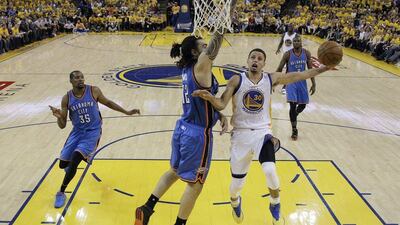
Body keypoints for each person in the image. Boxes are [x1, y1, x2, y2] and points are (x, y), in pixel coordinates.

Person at [192, 48, 334, 224]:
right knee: (236, 187)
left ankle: (275, 203)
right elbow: (221, 104)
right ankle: (235, 201)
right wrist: (210, 98)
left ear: (264, 64)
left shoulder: (270, 79)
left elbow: (301, 75)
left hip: (262, 133)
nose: (255, 60)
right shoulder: (237, 79)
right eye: (253, 57)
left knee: (270, 170)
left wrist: (324, 68)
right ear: (248, 60)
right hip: (240, 135)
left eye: (259, 58)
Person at [133, 0, 238, 220]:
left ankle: (147, 208)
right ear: (194, 52)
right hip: (197, 135)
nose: (206, 47)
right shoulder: (201, 65)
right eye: (202, 46)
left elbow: (202, 102)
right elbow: (217, 38)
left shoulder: (188, 70)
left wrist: (219, 115)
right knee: (195, 185)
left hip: (182, 127)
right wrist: (229, 9)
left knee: (174, 171)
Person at [49, 70, 140, 208]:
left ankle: (61, 192)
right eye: (77, 78)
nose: (80, 80)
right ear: (71, 81)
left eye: (82, 77)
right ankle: (71, 168)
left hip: (92, 133)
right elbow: (63, 125)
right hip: (77, 132)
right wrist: (59, 117)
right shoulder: (66, 98)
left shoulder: (93, 91)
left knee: (75, 160)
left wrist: (127, 112)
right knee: (63, 164)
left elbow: (109, 103)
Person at [276, 34, 316, 140]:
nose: (296, 43)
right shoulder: (287, 54)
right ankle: (294, 129)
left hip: (302, 81)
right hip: (291, 81)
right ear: (293, 43)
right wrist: (274, 81)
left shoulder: (306, 53)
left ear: (301, 42)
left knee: (302, 106)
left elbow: (311, 69)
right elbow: (280, 68)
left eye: (298, 41)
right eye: (295, 41)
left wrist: (314, 83)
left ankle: (294, 115)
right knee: (292, 105)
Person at [275, 24, 296, 95]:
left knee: (288, 71)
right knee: (280, 69)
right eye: (289, 26)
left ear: (294, 27)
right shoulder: (284, 34)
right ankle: (274, 82)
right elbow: (281, 42)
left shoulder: (296, 36)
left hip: (292, 55)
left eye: (291, 26)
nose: (290, 27)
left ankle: (284, 87)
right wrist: (278, 49)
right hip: (284, 55)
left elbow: (299, 45)